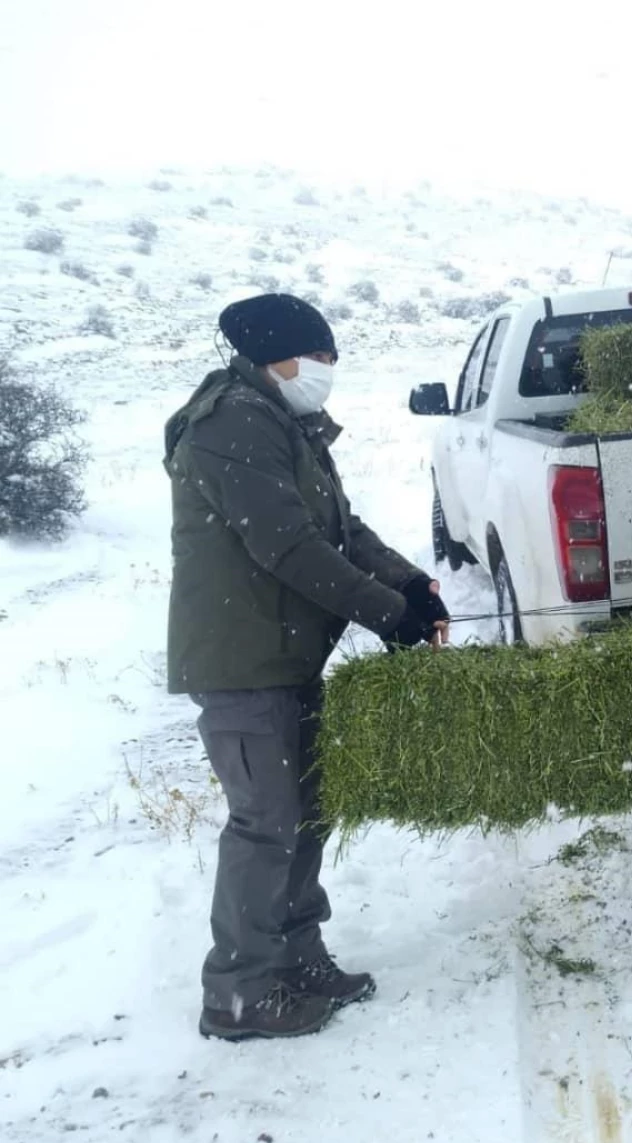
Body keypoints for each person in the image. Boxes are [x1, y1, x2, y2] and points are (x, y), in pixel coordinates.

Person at [164, 293, 450, 1041]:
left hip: (284, 653)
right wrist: (388, 615)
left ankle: (295, 956)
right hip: (241, 657)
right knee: (266, 824)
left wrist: (408, 584)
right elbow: (285, 545)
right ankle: (239, 994)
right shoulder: (233, 423)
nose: (327, 370)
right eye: (319, 356)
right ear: (275, 355)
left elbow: (340, 529)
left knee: (306, 814)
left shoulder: (282, 421)